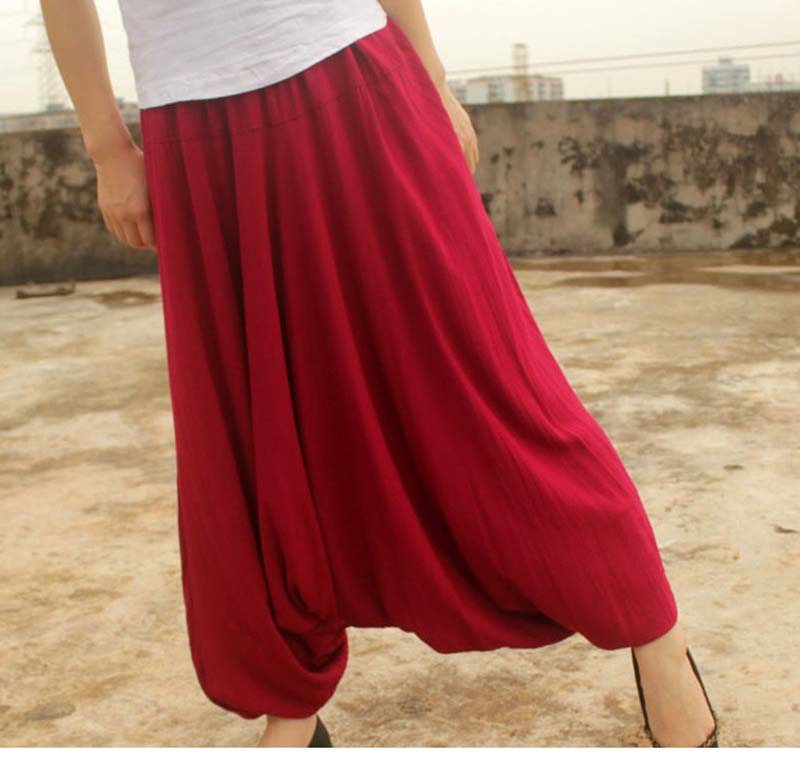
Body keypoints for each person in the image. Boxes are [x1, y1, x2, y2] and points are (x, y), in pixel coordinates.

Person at [40, 0, 720, 748]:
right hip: (195, 129)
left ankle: (654, 635)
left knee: (481, 385)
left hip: (350, 80)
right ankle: (291, 705)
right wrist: (107, 150)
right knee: (253, 429)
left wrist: (432, 79)